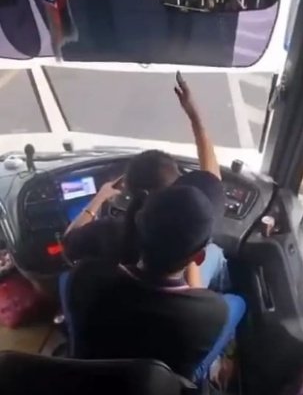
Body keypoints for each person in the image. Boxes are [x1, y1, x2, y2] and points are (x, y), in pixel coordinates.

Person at [60, 184, 246, 383]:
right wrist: (189, 254)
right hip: (163, 383)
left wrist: (100, 197)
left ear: (138, 229)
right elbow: (200, 300)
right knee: (238, 302)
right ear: (199, 258)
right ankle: (218, 366)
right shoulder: (214, 311)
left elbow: (69, 243)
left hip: (89, 381)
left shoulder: (83, 277)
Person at [62, 72, 229, 291]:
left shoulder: (110, 232)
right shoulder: (188, 227)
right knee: (217, 258)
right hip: (176, 295)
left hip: (131, 299)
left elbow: (68, 242)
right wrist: (195, 117)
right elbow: (212, 181)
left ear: (130, 191)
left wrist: (100, 198)